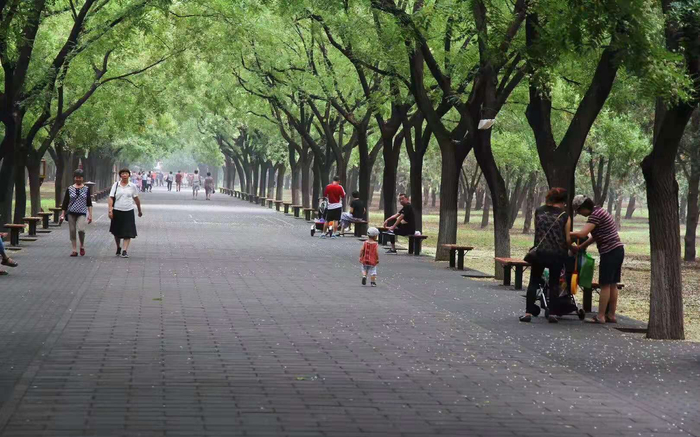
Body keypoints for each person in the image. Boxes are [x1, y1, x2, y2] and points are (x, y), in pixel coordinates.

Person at [519, 188, 571, 323]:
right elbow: (567, 239)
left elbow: (538, 231)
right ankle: (552, 313)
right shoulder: (564, 216)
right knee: (554, 283)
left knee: (534, 281)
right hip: (557, 254)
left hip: (540, 252)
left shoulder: (539, 211)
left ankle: (528, 313)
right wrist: (572, 248)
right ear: (563, 201)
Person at [571, 195, 625, 324]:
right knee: (613, 284)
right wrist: (581, 247)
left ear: (583, 207)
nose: (580, 214)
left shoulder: (595, 215)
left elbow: (583, 234)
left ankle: (600, 316)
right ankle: (611, 315)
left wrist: (565, 233)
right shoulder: (600, 211)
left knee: (605, 284)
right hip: (618, 250)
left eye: (579, 211)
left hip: (609, 252)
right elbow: (595, 236)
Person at [108, 169, 143, 258]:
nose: (124, 175)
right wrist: (110, 210)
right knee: (116, 232)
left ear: (129, 175)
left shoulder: (132, 186)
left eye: (126, 173)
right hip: (117, 210)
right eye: (122, 174)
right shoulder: (116, 185)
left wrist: (139, 210)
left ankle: (124, 250)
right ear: (120, 175)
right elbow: (111, 197)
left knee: (128, 232)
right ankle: (118, 247)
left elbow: (136, 199)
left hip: (128, 211)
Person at [60, 169, 93, 257]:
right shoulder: (70, 189)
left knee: (81, 229)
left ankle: (82, 245)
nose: (78, 179)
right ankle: (74, 249)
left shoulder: (86, 189)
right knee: (72, 230)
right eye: (76, 177)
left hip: (82, 212)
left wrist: (90, 215)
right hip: (71, 212)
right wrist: (62, 214)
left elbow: (89, 203)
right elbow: (65, 202)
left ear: (82, 178)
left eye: (80, 177)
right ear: (74, 178)